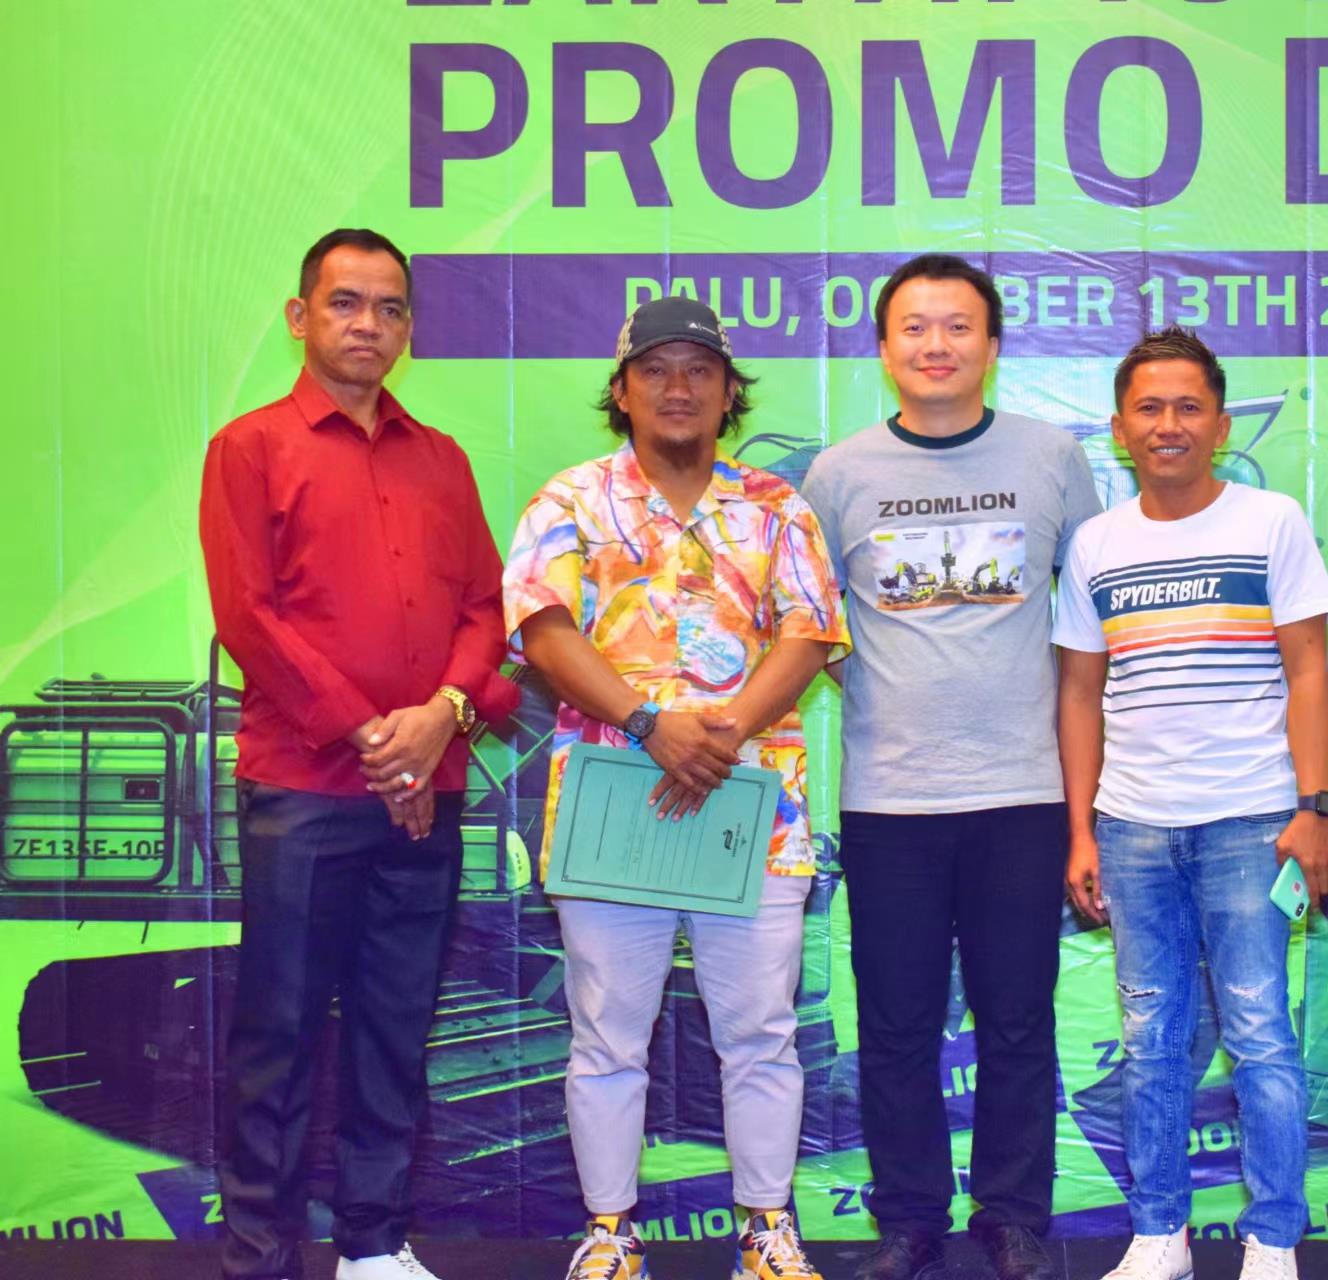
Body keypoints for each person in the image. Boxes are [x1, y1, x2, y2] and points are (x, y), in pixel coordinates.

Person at [503, 297, 848, 1280]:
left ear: (730, 391)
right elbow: (543, 631)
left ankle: (768, 1233)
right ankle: (611, 1233)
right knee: (608, 1034)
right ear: (622, 390)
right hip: (615, 797)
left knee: (761, 1032)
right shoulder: (570, 501)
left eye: (700, 369)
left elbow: (809, 632)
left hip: (751, 802)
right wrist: (652, 724)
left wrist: (725, 730)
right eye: (655, 369)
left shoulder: (777, 506)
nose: (679, 387)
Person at [200, 228, 518, 1280]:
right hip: (304, 790)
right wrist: (378, 739)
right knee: (280, 1035)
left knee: (395, 1025)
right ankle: (261, 1252)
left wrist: (439, 717)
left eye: (388, 307)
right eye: (344, 302)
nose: (367, 324)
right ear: (301, 318)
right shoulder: (250, 447)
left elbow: (483, 608)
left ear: (409, 328)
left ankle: (374, 1244)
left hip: (429, 783)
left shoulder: (442, 460)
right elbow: (248, 617)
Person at [799, 254, 1103, 1280]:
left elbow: (1090, 630)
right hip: (890, 799)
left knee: (1018, 1018)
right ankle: (909, 1220)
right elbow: (812, 628)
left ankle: (1012, 1214)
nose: (937, 345)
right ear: (885, 348)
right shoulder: (838, 475)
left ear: (993, 344)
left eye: (958, 326)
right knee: (895, 1024)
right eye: (916, 328)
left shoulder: (1052, 457)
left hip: (1024, 793)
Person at [1054, 327, 1328, 1280]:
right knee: (1151, 1042)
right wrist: (1081, 831)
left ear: (1219, 425)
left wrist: (1315, 808)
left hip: (1253, 825)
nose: (1168, 424)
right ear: (1119, 428)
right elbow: (1079, 694)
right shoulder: (1096, 544)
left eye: (1188, 407)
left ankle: (1274, 1239)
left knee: (1260, 1036)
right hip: (1133, 830)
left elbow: (1309, 670)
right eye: (1149, 408)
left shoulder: (1271, 522)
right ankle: (1159, 1236)